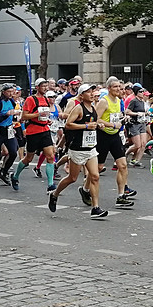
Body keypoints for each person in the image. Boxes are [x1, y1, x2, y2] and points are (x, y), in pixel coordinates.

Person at [50, 83, 108, 219]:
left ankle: (95, 208)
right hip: (77, 149)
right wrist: (86, 126)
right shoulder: (78, 108)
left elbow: (94, 121)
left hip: (90, 148)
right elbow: (68, 125)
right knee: (72, 178)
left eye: (93, 91)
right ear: (81, 96)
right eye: (88, 92)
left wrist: (98, 124)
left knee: (95, 176)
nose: (92, 94)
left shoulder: (93, 108)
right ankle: (55, 194)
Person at [96, 77, 134, 209]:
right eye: (115, 87)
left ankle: (121, 196)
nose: (118, 89)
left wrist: (123, 118)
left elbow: (116, 117)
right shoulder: (103, 102)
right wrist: (112, 124)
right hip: (103, 136)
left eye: (119, 86)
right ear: (109, 89)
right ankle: (85, 188)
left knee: (122, 165)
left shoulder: (118, 101)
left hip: (115, 136)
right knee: (99, 168)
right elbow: (96, 119)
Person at [12, 78, 56, 189]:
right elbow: (24, 116)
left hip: (45, 130)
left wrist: (47, 120)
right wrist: (37, 114)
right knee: (28, 159)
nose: (45, 88)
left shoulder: (46, 100)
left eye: (46, 86)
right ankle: (15, 176)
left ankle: (50, 184)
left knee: (50, 156)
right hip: (33, 132)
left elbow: (44, 115)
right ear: (37, 87)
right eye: (43, 86)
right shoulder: (31, 100)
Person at [124, 84, 150, 167]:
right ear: (136, 93)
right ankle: (126, 153)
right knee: (137, 145)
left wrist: (146, 113)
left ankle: (137, 161)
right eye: (140, 91)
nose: (143, 93)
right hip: (134, 124)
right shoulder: (134, 101)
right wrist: (136, 114)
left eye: (143, 91)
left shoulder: (142, 102)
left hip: (142, 123)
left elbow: (143, 112)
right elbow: (127, 111)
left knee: (144, 144)